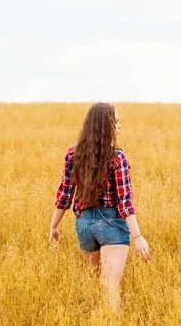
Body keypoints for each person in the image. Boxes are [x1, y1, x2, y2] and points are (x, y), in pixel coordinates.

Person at [49, 102, 151, 314]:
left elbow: (65, 194)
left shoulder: (73, 154)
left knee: (99, 284)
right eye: (116, 121)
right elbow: (125, 202)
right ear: (106, 126)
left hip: (84, 226)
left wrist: (53, 226)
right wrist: (138, 237)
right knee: (111, 289)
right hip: (112, 225)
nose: (120, 126)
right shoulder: (117, 157)